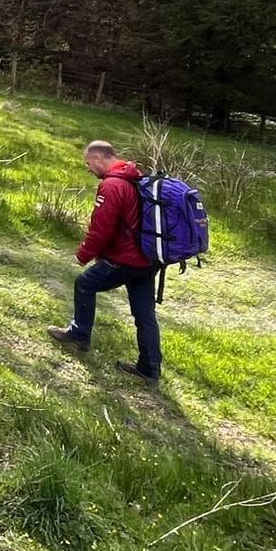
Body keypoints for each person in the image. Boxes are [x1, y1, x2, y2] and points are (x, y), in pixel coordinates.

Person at [47, 140, 163, 386]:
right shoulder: (135, 177)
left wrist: (83, 255)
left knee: (85, 283)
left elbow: (102, 229)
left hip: (126, 258)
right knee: (144, 313)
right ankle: (150, 368)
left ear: (100, 158)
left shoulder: (112, 185)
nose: (89, 169)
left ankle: (79, 334)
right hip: (148, 259)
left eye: (89, 164)